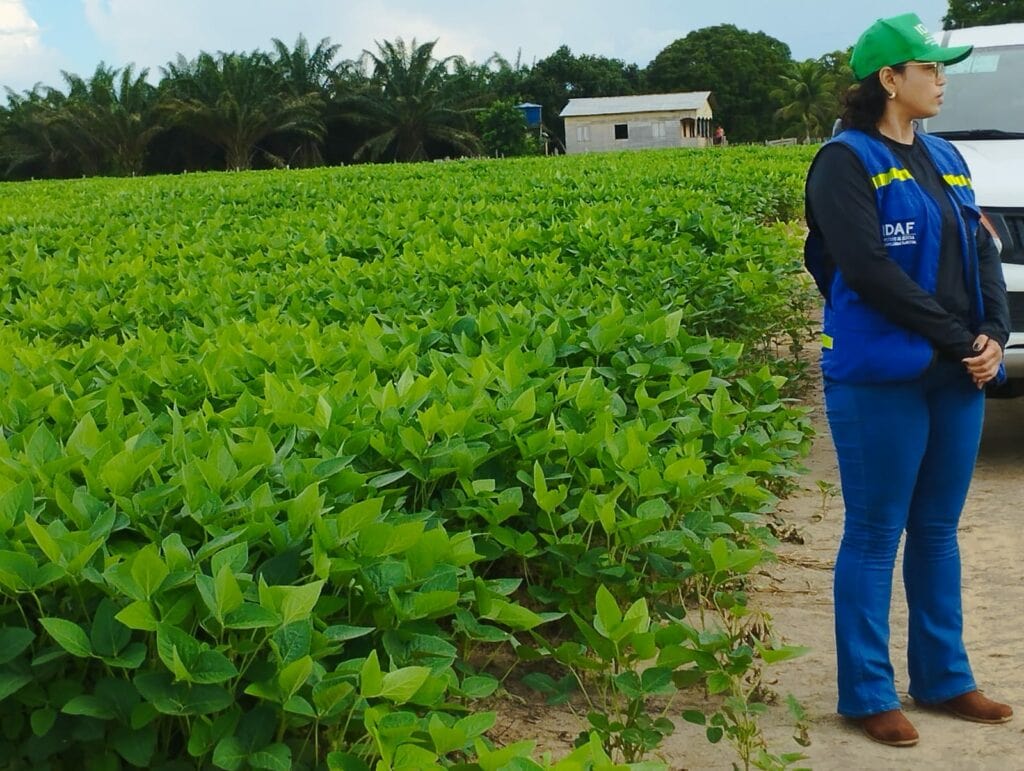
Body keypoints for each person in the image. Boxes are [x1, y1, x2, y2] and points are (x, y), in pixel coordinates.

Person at [803, 12, 1013, 747]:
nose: (941, 79)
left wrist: (995, 334)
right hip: (881, 376)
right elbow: (867, 270)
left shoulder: (947, 156)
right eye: (928, 68)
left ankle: (945, 677)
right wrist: (961, 340)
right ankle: (866, 691)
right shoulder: (844, 162)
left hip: (955, 373)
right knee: (873, 531)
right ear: (888, 80)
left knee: (936, 530)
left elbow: (983, 248)